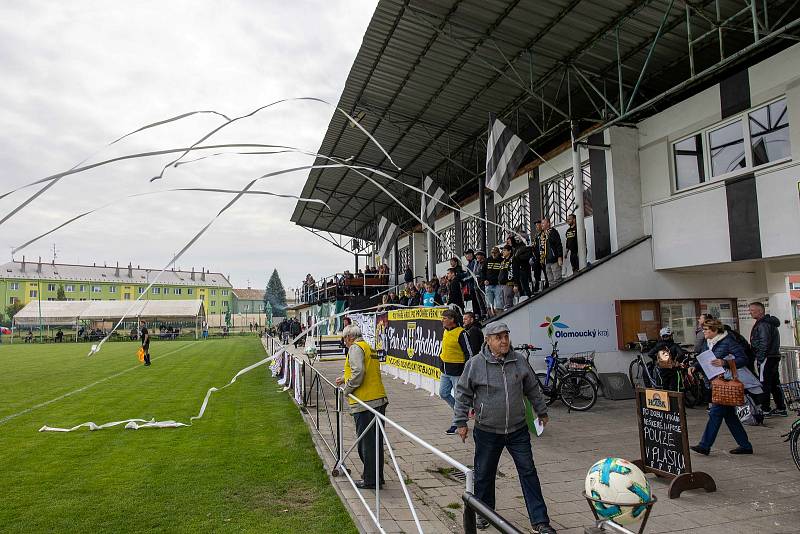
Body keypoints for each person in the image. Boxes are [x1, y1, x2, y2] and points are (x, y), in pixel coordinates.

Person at [454, 322, 555, 534]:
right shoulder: (475, 364)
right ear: (488, 340)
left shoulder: (518, 361)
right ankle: (483, 513)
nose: (504, 341)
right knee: (484, 474)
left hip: (517, 430)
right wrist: (461, 422)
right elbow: (463, 394)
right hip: (487, 430)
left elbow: (532, 388)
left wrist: (542, 411)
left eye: (506, 336)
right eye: (498, 337)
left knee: (528, 472)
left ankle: (540, 521)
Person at [689, 318, 762, 455]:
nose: (703, 332)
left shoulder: (728, 341)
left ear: (715, 330)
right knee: (729, 416)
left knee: (715, 413)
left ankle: (705, 445)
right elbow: (705, 358)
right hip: (717, 382)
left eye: (706, 330)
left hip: (726, 383)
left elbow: (743, 359)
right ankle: (745, 445)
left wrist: (724, 362)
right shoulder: (708, 342)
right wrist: (694, 367)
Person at [335, 324, 388, 490]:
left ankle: (371, 480)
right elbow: (363, 369)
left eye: (344, 338)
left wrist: (347, 389)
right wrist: (345, 377)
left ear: (350, 337)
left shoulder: (355, 348)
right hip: (378, 398)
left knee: (366, 444)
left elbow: (359, 372)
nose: (344, 341)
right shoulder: (368, 347)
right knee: (376, 442)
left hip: (366, 401)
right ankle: (377, 477)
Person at [749, 302, 787, 417]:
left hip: (767, 357)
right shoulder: (768, 323)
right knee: (774, 382)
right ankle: (781, 408)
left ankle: (765, 408)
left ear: (760, 311)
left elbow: (764, 342)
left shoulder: (763, 324)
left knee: (764, 383)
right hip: (772, 356)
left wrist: (760, 358)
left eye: (752, 310)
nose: (750, 312)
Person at [438, 309, 472, 434]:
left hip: (458, 372)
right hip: (445, 371)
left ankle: (457, 422)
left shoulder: (461, 333)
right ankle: (461, 413)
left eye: (444, 318)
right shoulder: (445, 331)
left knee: (459, 398)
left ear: (452, 319)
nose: (442, 320)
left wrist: (466, 372)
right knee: (443, 393)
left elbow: (469, 353)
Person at [646, 327, 686, 391]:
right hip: (673, 369)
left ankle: (667, 400)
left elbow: (650, 354)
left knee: (665, 387)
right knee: (675, 387)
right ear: (670, 336)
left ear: (662, 337)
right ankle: (675, 400)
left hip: (662, 369)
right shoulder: (674, 345)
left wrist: (658, 360)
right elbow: (681, 354)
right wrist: (677, 361)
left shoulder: (658, 346)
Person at [539, 218, 563, 287]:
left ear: (548, 224)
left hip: (554, 260)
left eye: (543, 223)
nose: (542, 225)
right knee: (550, 281)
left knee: (557, 280)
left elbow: (558, 244)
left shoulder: (553, 232)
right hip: (547, 261)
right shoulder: (542, 234)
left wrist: (559, 257)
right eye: (541, 223)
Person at [484, 247, 503, 316]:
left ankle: (500, 316)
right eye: (492, 253)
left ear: (498, 253)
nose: (494, 254)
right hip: (488, 285)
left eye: (495, 253)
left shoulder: (501, 260)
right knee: (489, 304)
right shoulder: (487, 260)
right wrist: (484, 280)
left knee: (499, 303)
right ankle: (491, 317)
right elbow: (483, 271)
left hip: (498, 285)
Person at [531, 220, 546, 292]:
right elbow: (534, 245)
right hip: (536, 257)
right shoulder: (536, 235)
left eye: (538, 225)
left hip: (543, 256)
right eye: (536, 225)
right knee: (536, 273)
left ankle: (547, 283)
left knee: (545, 271)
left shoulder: (544, 233)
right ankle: (537, 285)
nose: (536, 227)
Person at [498, 244, 515, 310]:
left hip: (509, 284)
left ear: (509, 251)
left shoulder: (512, 260)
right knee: (503, 303)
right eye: (502, 250)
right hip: (502, 284)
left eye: (504, 250)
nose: (503, 252)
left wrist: (516, 284)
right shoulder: (503, 261)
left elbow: (515, 272)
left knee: (508, 304)